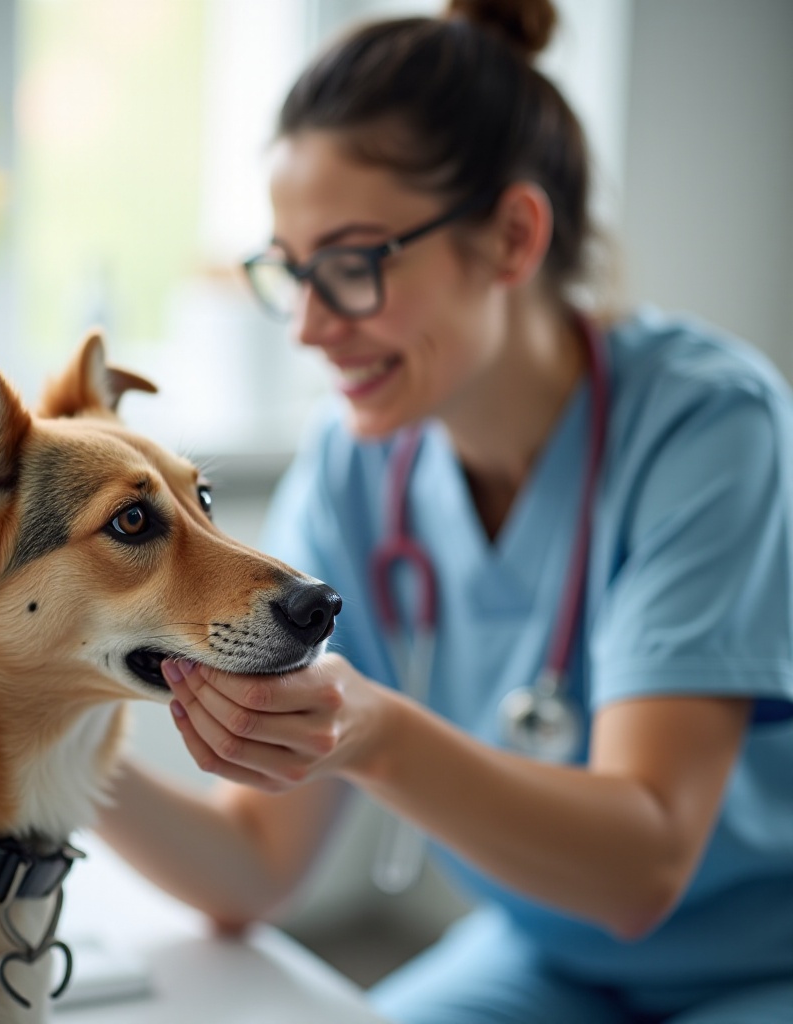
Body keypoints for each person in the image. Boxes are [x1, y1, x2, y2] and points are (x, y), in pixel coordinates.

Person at [96, 1, 793, 1020]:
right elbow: (254, 864)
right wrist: (32, 741)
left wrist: (373, 733)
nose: (308, 327)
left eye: (349, 264)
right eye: (290, 271)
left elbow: (640, 868)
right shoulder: (355, 467)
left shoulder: (707, 428)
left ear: (511, 237)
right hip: (547, 958)